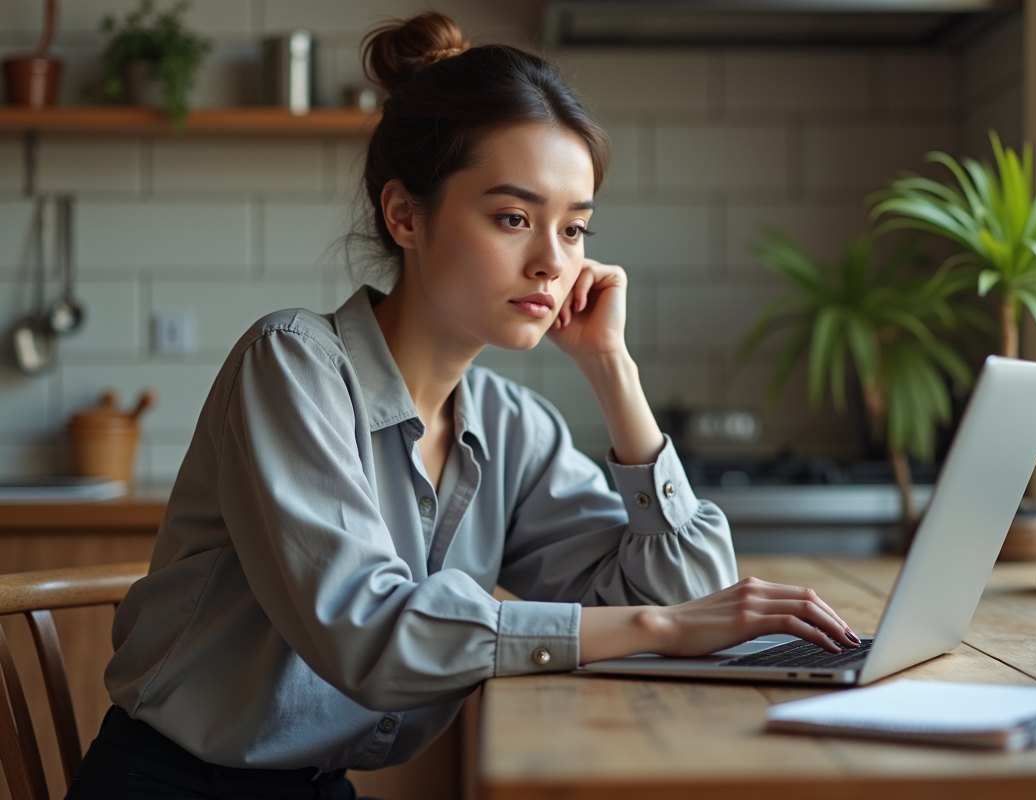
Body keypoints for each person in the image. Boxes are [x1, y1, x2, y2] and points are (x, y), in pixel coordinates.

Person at [70, 12, 859, 799]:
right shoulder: (291, 365)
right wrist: (661, 630)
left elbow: (688, 597)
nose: (553, 262)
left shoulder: (514, 429)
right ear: (405, 215)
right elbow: (371, 635)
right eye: (513, 218)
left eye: (576, 229)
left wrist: (613, 369)